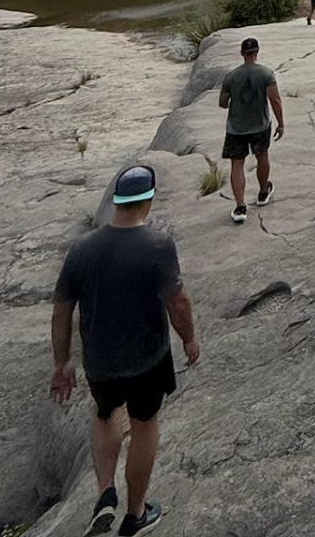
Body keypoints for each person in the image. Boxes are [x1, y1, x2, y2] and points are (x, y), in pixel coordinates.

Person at [50, 164, 199, 537]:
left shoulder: (82, 248)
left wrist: (62, 362)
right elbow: (178, 302)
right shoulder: (158, 246)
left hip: (100, 362)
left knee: (105, 415)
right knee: (144, 424)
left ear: (116, 201)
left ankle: (105, 493)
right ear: (149, 200)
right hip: (147, 359)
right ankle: (135, 515)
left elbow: (61, 310)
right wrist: (189, 338)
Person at [218, 36, 284, 225]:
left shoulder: (231, 76)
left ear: (242, 53)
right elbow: (275, 100)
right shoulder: (266, 74)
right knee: (262, 156)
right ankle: (263, 192)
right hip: (260, 125)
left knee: (237, 165)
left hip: (236, 128)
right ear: (257, 51)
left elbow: (223, 103)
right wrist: (281, 123)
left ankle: (240, 206)